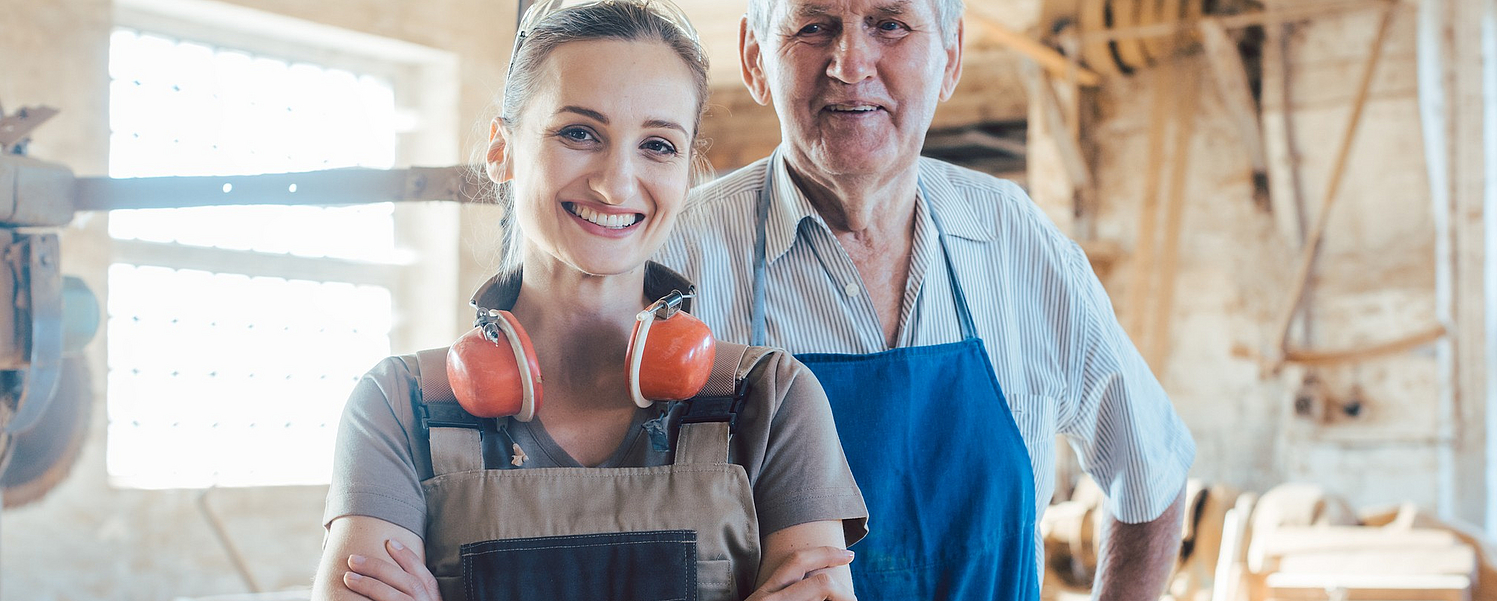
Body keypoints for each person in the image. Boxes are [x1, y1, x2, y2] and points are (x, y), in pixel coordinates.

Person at [309, 1, 867, 599]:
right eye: (579, 133)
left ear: (685, 172)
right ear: (502, 149)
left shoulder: (770, 399)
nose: (616, 182)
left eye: (658, 145)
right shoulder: (399, 406)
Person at [649, 0, 1197, 598]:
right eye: (813, 26)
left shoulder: (1015, 239)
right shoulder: (674, 262)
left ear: (952, 56)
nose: (851, 63)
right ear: (755, 60)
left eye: (890, 24)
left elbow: (1153, 477)